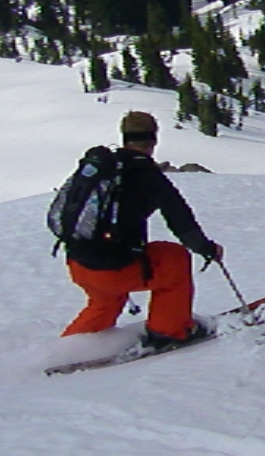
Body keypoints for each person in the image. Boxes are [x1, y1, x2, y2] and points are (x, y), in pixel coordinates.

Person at [61, 110, 223, 349]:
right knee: (175, 259)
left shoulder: (101, 168)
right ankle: (169, 330)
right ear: (153, 141)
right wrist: (207, 249)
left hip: (79, 263)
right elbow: (180, 220)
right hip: (115, 268)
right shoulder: (146, 174)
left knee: (105, 300)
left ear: (124, 137)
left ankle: (65, 350)